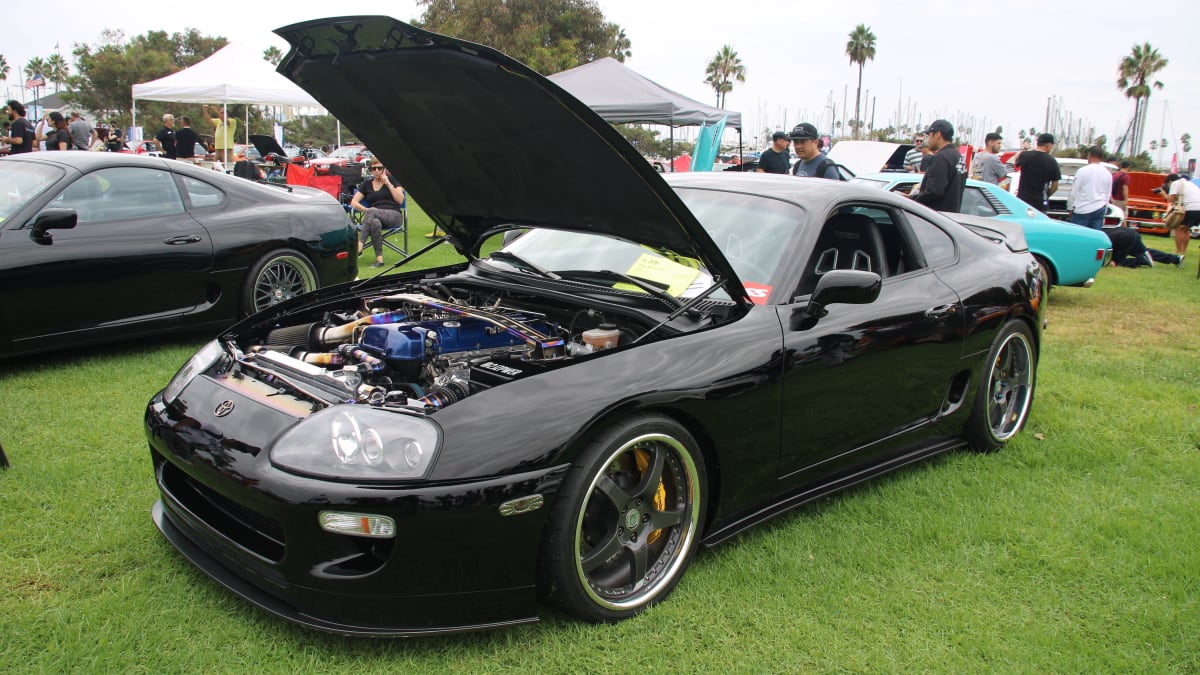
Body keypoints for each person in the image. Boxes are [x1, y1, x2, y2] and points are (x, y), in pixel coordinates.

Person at [350, 160, 406, 268]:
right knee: (374, 223)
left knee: (372, 212)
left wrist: (388, 184)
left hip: (394, 216)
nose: (376, 171)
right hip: (375, 216)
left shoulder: (393, 180)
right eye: (373, 169)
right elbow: (353, 202)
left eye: (379, 168)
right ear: (370, 170)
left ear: (384, 169)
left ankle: (360, 246)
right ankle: (379, 261)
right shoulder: (366, 184)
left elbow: (400, 200)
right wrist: (366, 210)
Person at [911, 119, 965, 212]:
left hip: (936, 217)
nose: (928, 140)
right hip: (952, 216)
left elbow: (934, 191)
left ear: (937, 135)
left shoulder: (941, 158)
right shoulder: (959, 157)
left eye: (929, 136)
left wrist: (912, 200)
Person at [1067, 145, 1112, 230]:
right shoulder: (1107, 173)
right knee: (1095, 236)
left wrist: (1070, 207)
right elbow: (1108, 193)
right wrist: (1105, 207)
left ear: (1090, 155)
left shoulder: (1083, 171)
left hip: (1083, 208)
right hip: (1100, 207)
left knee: (1079, 235)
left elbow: (1074, 191)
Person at [1014, 132, 1060, 212]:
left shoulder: (1024, 155)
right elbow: (1055, 186)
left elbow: (1016, 160)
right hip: (1039, 202)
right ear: (1048, 145)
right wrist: (1046, 195)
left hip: (1022, 200)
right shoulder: (1051, 161)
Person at [1163, 173, 1200, 263]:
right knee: (1186, 229)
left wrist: (1162, 193)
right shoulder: (1188, 183)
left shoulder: (1175, 183)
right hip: (1198, 208)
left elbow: (1170, 199)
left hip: (1191, 208)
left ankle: (1179, 251)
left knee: (1179, 228)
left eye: (1167, 184)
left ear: (1170, 181)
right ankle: (1184, 250)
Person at [1105, 226, 1181, 268]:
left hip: (1124, 238)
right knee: (1143, 252)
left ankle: (1141, 261)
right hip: (1130, 233)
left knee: (1115, 263)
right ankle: (1176, 259)